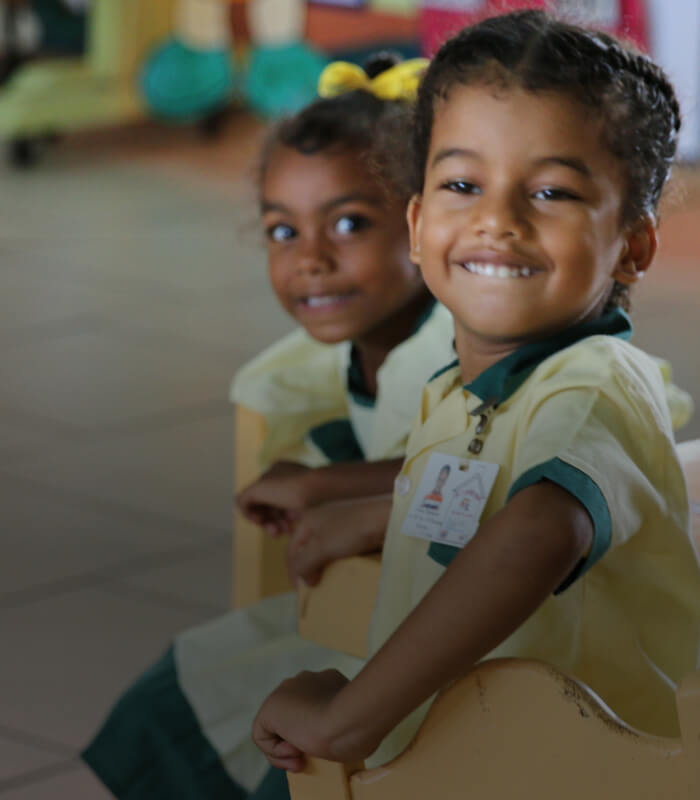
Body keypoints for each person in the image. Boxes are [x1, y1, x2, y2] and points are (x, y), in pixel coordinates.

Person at [251, 10, 700, 777]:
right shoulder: (463, 389)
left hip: (567, 771)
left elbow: (535, 536)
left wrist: (351, 717)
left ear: (633, 242)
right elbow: (485, 495)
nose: (497, 220)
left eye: (552, 191)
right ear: (420, 225)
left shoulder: (595, 386)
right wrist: (376, 512)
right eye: (464, 184)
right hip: (463, 755)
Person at [82, 54, 454, 800]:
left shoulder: (457, 348)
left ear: (425, 223)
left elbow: (495, 471)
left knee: (277, 751)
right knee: (182, 688)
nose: (310, 261)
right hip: (391, 608)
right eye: (282, 232)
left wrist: (329, 484)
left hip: (454, 636)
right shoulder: (367, 347)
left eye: (349, 223)